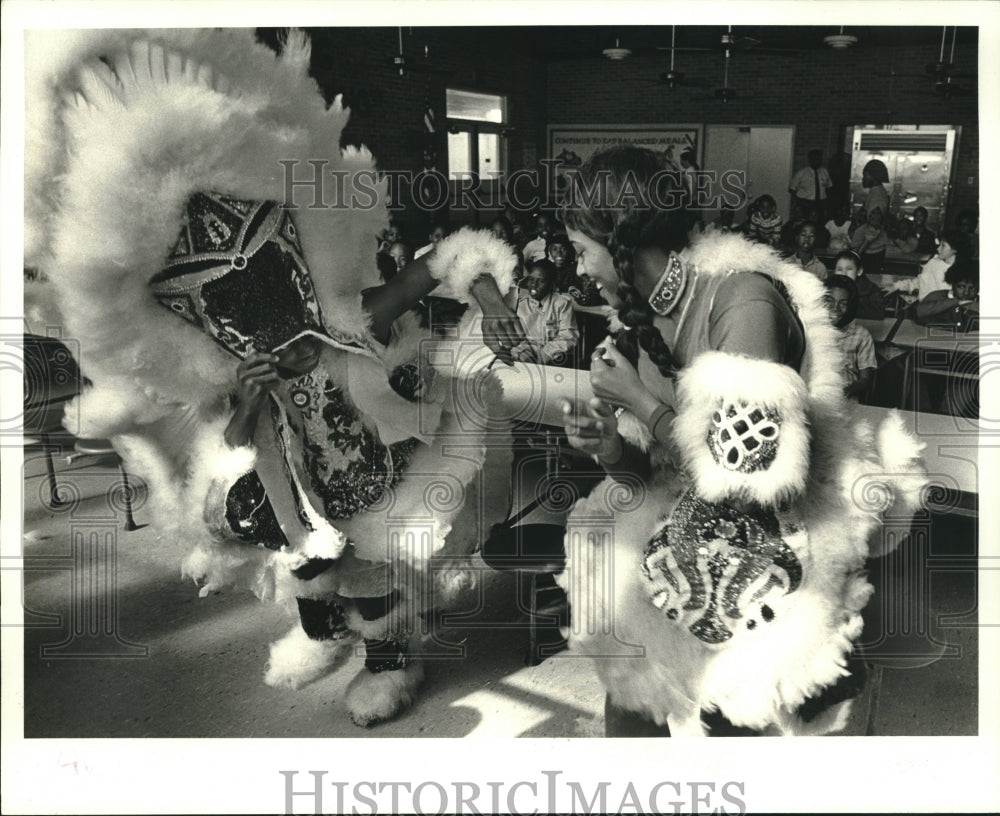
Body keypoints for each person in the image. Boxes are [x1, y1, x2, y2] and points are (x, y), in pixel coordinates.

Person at [25, 29, 526, 728]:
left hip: (365, 465)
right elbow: (230, 431)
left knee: (370, 564)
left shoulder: (350, 323)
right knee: (306, 563)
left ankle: (390, 660)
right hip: (284, 482)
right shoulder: (225, 370)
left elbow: (441, 258)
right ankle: (325, 630)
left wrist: (493, 298)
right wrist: (253, 392)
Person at [555, 145, 925, 737]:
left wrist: (638, 400)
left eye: (581, 250)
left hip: (767, 561)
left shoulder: (741, 297)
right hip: (672, 559)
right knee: (631, 719)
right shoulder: (638, 317)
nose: (578, 269)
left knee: (732, 735)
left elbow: (743, 470)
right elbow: (649, 480)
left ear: (618, 235)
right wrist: (608, 446)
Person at [509, 259, 579, 366]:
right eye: (531, 279)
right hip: (523, 359)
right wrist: (522, 352)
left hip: (553, 361)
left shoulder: (562, 303)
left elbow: (568, 336)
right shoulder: (519, 303)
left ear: (551, 284)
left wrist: (544, 355)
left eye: (541, 281)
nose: (534, 284)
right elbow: (512, 335)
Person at [824, 275, 877, 402]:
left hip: (846, 396)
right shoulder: (811, 329)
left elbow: (866, 380)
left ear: (851, 307)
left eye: (843, 304)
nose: (835, 308)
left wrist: (845, 391)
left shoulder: (861, 335)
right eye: (829, 301)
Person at [889, 230, 969, 302]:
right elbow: (919, 282)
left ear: (955, 250)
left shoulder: (962, 271)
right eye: (939, 244)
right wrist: (896, 286)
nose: (938, 249)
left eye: (943, 245)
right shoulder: (933, 263)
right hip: (925, 310)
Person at [913, 259, 980, 330]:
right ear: (953, 285)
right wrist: (956, 302)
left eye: (972, 288)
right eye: (961, 287)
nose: (966, 292)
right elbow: (921, 312)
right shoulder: (937, 296)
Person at [834, 249, 885, 320]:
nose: (844, 274)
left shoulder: (870, 289)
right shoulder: (830, 288)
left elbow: (879, 313)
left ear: (859, 271)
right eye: (839, 269)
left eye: (849, 269)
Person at [788, 149, 832, 222]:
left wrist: (827, 201)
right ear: (810, 159)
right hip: (806, 204)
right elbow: (791, 189)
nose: (816, 160)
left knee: (820, 223)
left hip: (821, 204)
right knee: (805, 223)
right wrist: (800, 201)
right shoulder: (801, 173)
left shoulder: (825, 172)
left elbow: (829, 187)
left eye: (818, 158)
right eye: (814, 158)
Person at [850, 205, 889, 276]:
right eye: (873, 213)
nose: (875, 216)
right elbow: (855, 255)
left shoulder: (884, 231)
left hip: (877, 269)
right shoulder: (860, 231)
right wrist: (868, 239)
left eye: (878, 213)